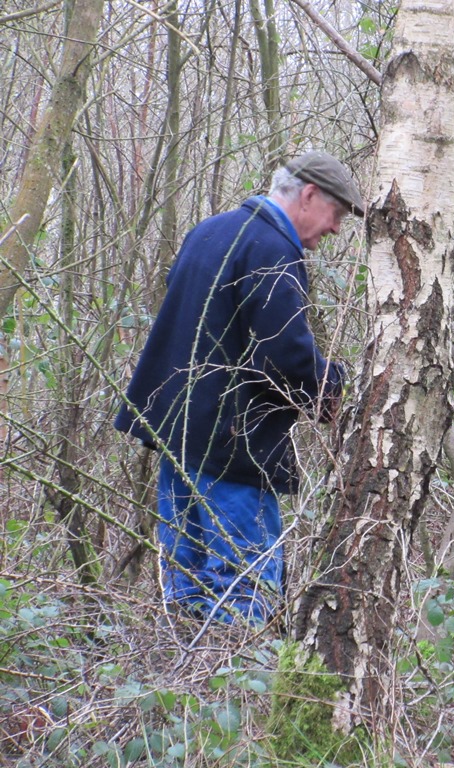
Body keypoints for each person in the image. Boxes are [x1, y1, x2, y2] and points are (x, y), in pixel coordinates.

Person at [115, 150, 365, 626]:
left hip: (177, 436)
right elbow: (284, 354)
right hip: (232, 446)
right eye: (336, 215)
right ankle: (235, 691)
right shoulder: (273, 249)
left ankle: (187, 683)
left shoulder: (209, 231)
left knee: (185, 578)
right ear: (310, 196)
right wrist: (333, 386)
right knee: (244, 581)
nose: (335, 229)